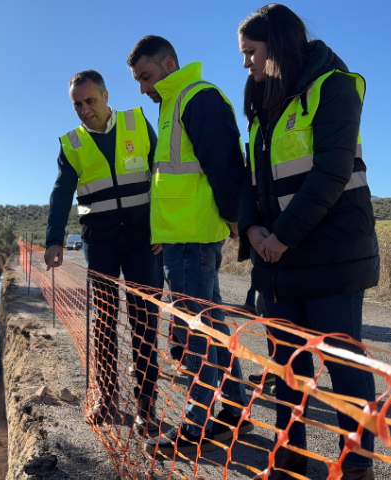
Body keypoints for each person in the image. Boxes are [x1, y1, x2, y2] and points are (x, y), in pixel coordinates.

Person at [237, 5, 379, 479]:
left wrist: (281, 236)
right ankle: (288, 458)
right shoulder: (263, 105)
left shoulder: (333, 87)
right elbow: (252, 181)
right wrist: (254, 229)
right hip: (277, 259)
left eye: (251, 53)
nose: (246, 64)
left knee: (345, 368)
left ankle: (356, 465)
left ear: (276, 45)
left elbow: (332, 172)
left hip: (331, 254)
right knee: (285, 367)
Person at [127, 35, 252, 457]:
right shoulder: (172, 104)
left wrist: (235, 218)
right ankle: (234, 406)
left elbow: (225, 163)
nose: (143, 87)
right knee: (211, 323)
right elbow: (171, 180)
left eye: (146, 76)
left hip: (193, 237)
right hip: (181, 237)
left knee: (193, 329)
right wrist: (161, 233)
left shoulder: (198, 98)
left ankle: (197, 421)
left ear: (167, 63)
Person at [43, 70, 162, 436]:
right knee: (105, 322)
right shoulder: (71, 144)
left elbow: (162, 174)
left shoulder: (137, 123)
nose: (84, 110)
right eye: (77, 104)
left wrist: (164, 227)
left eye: (90, 101)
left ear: (107, 96)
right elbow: (62, 193)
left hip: (145, 240)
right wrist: (54, 239)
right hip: (102, 244)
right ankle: (107, 397)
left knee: (145, 323)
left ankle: (146, 407)